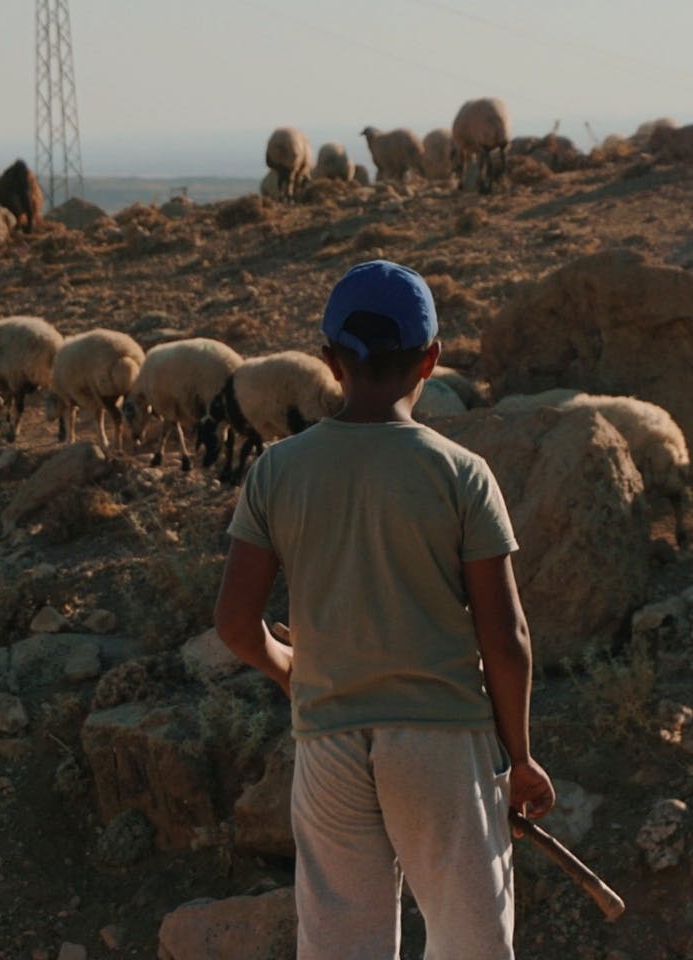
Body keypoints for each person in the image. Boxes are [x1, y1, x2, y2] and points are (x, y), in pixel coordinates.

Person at [213, 259, 554, 959]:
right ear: (431, 358)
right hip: (440, 742)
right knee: (470, 941)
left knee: (343, 944)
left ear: (327, 359)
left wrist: (291, 672)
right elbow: (507, 635)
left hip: (328, 743)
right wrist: (519, 758)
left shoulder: (277, 470)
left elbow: (235, 625)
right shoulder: (460, 473)